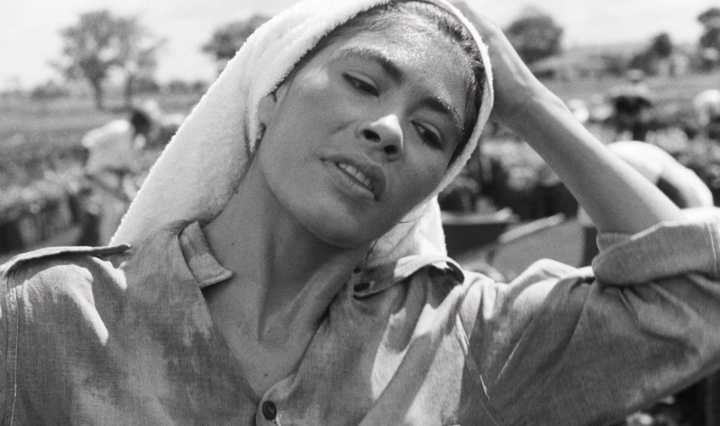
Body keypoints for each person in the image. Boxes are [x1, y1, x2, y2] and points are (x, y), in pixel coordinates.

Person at [3, 1, 720, 425]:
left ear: (433, 185)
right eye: (361, 81)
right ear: (272, 94)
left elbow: (697, 295)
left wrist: (528, 102)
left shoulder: (463, 341)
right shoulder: (46, 317)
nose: (388, 130)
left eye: (432, 132)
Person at [80, 101, 159, 244]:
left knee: (132, 204)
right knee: (111, 211)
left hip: (118, 177)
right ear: (141, 124)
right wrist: (87, 167)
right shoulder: (119, 129)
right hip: (101, 173)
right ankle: (106, 248)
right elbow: (88, 141)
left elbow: (131, 166)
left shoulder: (137, 141)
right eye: (148, 125)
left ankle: (127, 243)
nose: (149, 129)